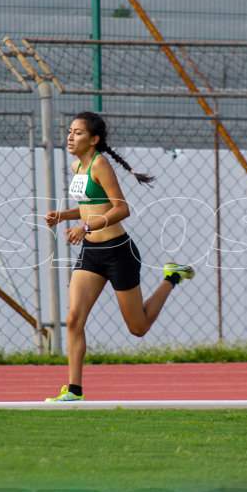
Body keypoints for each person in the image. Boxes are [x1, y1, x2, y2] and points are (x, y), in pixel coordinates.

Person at [42, 112, 195, 402]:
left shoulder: (100, 164)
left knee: (138, 328)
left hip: (117, 252)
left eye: (77, 133)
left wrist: (85, 226)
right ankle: (74, 391)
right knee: (74, 318)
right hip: (91, 253)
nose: (70, 137)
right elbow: (92, 206)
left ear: (94, 140)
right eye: (70, 132)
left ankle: (172, 277)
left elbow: (121, 209)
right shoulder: (77, 166)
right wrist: (64, 216)